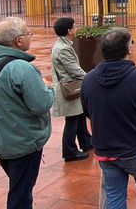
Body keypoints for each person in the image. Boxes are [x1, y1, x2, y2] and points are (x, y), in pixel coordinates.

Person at [0, 17, 54, 209]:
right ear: (18, 40)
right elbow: (41, 105)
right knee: (21, 193)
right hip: (23, 141)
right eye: (28, 33)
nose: (30, 37)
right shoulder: (23, 69)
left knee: (18, 183)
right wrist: (48, 89)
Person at [81, 28, 136, 209]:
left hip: (106, 149)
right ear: (128, 49)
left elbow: (88, 112)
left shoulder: (88, 80)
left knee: (113, 193)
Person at [51, 17, 92, 162]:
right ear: (69, 30)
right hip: (69, 88)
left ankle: (86, 142)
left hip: (72, 85)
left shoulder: (64, 45)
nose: (76, 29)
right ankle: (69, 151)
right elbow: (74, 70)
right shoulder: (62, 49)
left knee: (80, 115)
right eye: (74, 26)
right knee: (73, 120)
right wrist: (91, 78)